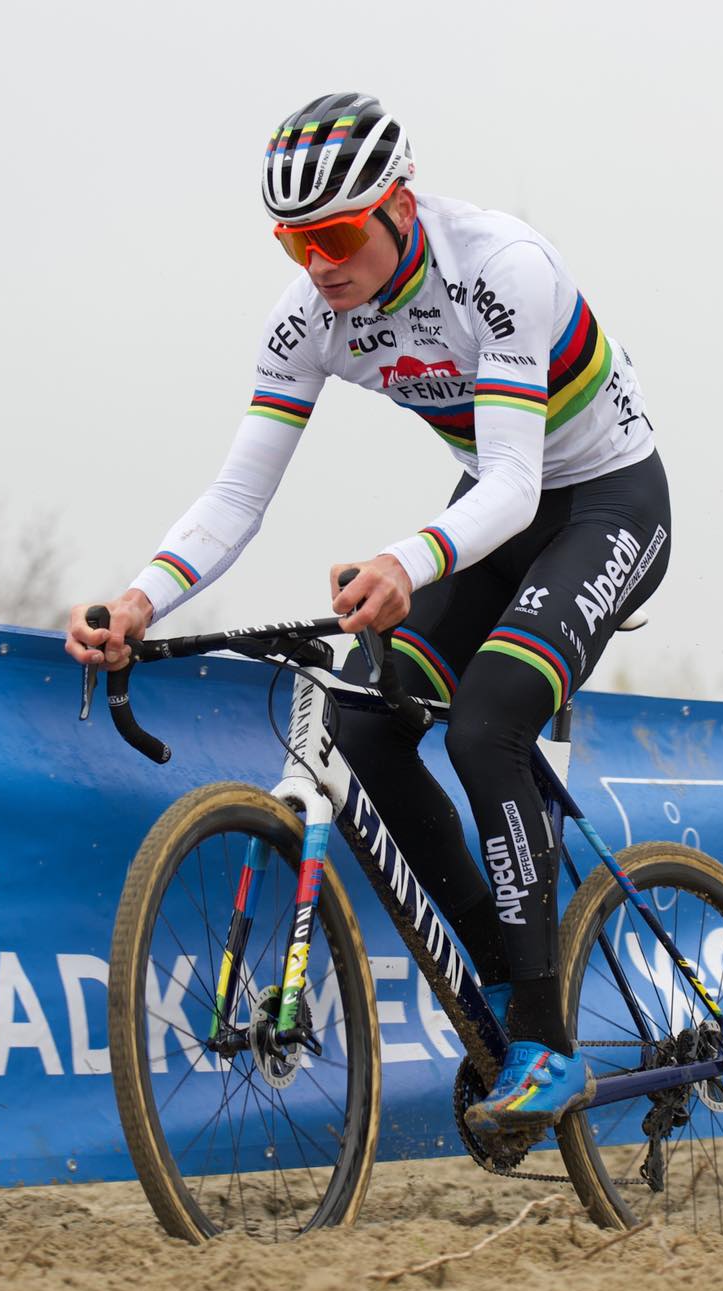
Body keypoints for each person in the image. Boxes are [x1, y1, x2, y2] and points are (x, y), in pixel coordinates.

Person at [66, 92, 670, 1138]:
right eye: (291, 241)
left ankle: (546, 1036)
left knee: (484, 725)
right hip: (490, 518)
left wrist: (406, 558)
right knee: (359, 722)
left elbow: (517, 484)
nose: (315, 262)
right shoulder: (309, 320)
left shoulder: (500, 267)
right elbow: (236, 498)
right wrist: (138, 596)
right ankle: (504, 974)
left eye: (335, 235)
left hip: (602, 503)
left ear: (397, 205)